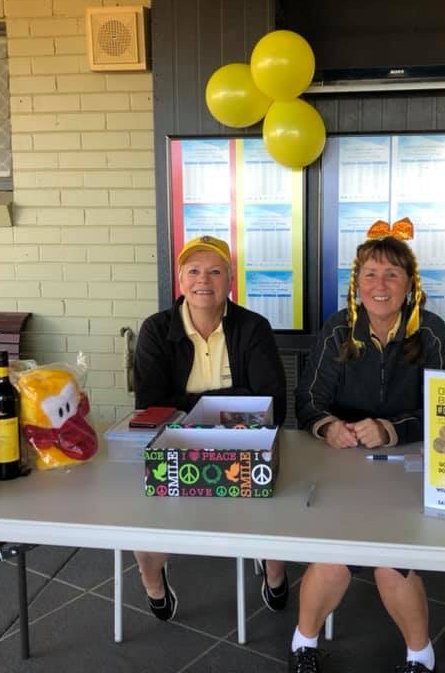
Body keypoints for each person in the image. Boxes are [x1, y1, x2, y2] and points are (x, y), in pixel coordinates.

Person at [289, 218, 445, 673]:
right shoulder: (338, 329)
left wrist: (391, 429)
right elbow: (307, 401)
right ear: (357, 283)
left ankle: (420, 656)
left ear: (410, 284)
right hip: (342, 465)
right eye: (370, 274)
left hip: (410, 466)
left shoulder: (432, 332)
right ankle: (303, 646)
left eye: (391, 275)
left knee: (390, 561)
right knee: (333, 557)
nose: (379, 286)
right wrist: (328, 426)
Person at [133, 234, 289, 621]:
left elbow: (272, 403)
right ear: (180, 280)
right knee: (143, 515)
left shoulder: (253, 327)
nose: (204, 279)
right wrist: (234, 400)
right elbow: (150, 406)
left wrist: (188, 403)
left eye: (215, 271)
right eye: (194, 271)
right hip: (175, 442)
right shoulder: (156, 329)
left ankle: (274, 569)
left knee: (277, 501)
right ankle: (152, 580)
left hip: (243, 444)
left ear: (230, 280)